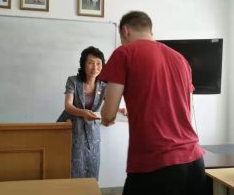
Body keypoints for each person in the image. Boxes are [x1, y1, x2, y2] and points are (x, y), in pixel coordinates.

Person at [99, 11, 206, 195]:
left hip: (156, 165)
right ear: (150, 30)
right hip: (194, 161)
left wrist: (106, 119)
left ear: (125, 30)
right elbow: (184, 112)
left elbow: (108, 113)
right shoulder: (180, 59)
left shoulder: (124, 53)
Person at [57, 46, 106, 180]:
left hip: (92, 129)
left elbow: (110, 105)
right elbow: (68, 106)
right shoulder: (73, 81)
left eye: (98, 63)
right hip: (72, 127)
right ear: (83, 64)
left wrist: (120, 110)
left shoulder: (104, 85)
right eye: (90, 62)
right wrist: (83, 112)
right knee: (74, 165)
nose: (95, 67)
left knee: (92, 164)